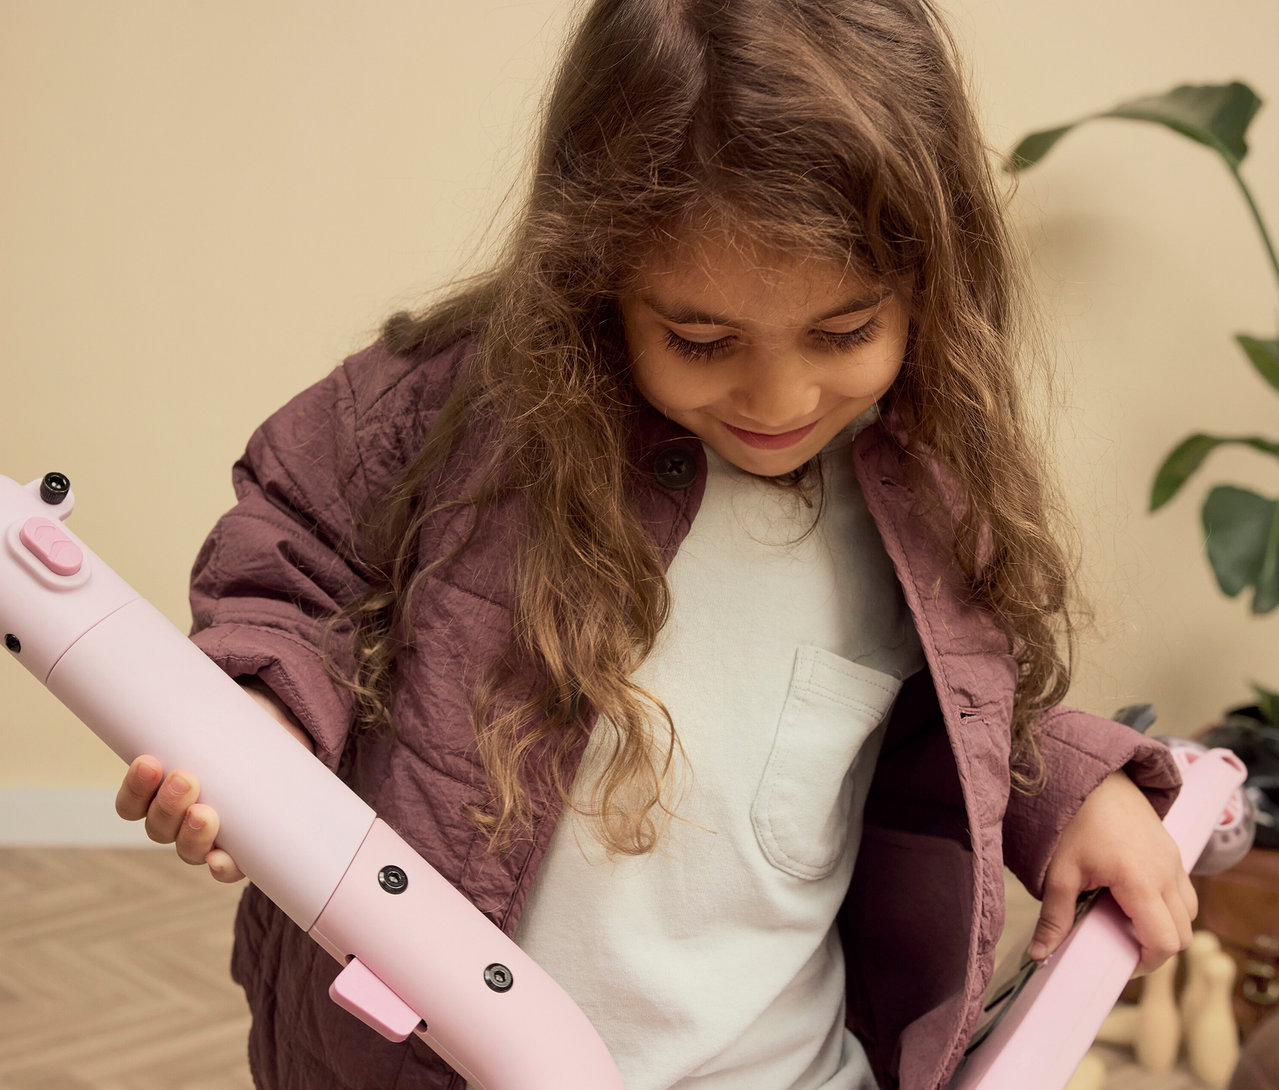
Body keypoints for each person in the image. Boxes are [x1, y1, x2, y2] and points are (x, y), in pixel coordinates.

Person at [113, 1, 1198, 1087]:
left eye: (844, 331)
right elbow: (292, 544)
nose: (780, 397)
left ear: (930, 282)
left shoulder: (918, 490)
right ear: (597, 271)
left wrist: (1066, 784)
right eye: (701, 339)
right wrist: (256, 714)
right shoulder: (454, 407)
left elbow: (933, 727)